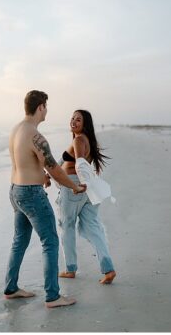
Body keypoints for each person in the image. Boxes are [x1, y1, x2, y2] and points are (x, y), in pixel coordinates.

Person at [5, 90, 85, 309]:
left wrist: (41, 177)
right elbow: (57, 170)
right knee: (50, 241)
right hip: (31, 194)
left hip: (15, 190)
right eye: (46, 106)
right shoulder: (36, 136)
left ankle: (11, 287)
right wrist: (75, 186)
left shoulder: (16, 130)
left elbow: (24, 163)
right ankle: (53, 296)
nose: (47, 110)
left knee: (19, 240)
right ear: (40, 106)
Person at [57, 109, 115, 283]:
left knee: (66, 225)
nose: (73, 122)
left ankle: (70, 269)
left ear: (85, 124)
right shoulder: (84, 139)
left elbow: (81, 163)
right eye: (72, 118)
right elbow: (69, 161)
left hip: (75, 187)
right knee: (92, 227)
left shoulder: (79, 139)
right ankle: (108, 269)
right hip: (87, 188)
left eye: (78, 120)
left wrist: (77, 185)